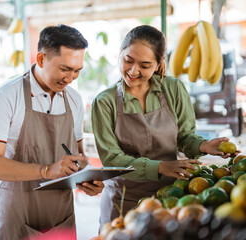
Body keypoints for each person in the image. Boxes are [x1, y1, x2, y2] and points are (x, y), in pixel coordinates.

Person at [91, 25, 239, 228]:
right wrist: (160, 167)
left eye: (144, 65)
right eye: (128, 60)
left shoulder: (173, 89)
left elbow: (185, 137)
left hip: (170, 199)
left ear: (158, 65)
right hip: (123, 203)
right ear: (120, 55)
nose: (134, 71)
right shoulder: (104, 102)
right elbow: (112, 160)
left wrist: (204, 146)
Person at [0, 24, 104, 239]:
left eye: (77, 71)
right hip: (19, 218)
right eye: (64, 69)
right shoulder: (5, 97)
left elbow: (78, 156)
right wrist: (46, 170)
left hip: (62, 218)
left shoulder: (74, 101)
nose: (70, 78)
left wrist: (87, 178)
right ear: (40, 59)